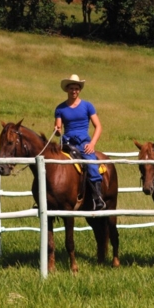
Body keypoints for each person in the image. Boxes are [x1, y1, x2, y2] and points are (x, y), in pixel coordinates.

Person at [54, 74, 106, 210]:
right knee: (53, 163)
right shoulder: (60, 108)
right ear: (67, 89)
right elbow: (58, 127)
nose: (74, 91)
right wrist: (57, 130)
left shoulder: (88, 106)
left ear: (80, 90)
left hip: (83, 143)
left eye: (76, 88)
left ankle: (97, 197)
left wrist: (92, 144)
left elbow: (98, 126)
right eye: (71, 88)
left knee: (91, 164)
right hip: (67, 143)